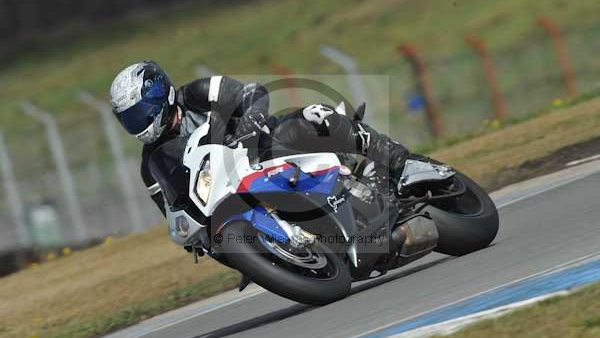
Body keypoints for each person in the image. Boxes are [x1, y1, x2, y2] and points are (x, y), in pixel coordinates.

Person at [109, 61, 410, 216]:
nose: (139, 123)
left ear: (161, 96)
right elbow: (171, 211)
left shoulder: (198, 94)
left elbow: (250, 93)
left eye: (140, 113)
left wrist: (249, 122)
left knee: (316, 115)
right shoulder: (152, 164)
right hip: (235, 194)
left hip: (266, 145)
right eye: (130, 119)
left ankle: (388, 152)